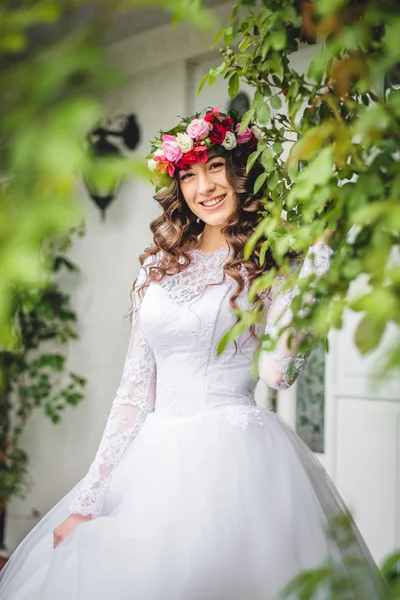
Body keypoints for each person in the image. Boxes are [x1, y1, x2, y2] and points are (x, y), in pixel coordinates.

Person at [0, 107, 383, 600]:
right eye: (189, 174)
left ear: (241, 172)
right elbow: (135, 391)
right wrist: (90, 498)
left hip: (238, 460)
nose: (205, 186)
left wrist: (311, 275)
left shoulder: (271, 264)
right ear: (178, 186)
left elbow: (277, 372)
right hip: (152, 462)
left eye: (216, 167)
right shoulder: (158, 267)